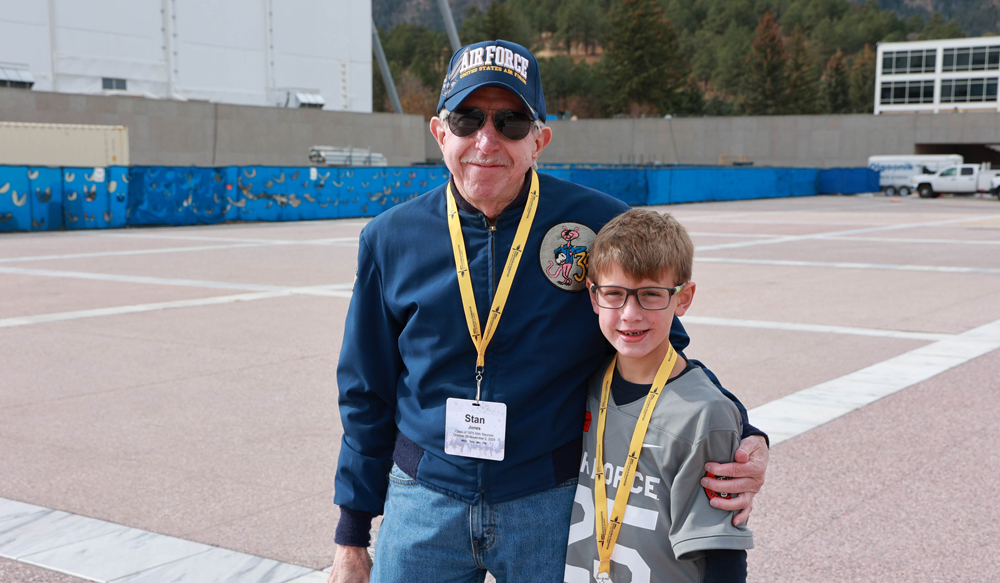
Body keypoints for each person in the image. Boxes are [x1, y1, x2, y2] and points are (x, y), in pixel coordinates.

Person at [330, 39, 768, 583]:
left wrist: (742, 429)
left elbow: (660, 345)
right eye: (468, 119)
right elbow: (366, 388)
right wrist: (351, 533)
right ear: (440, 132)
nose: (486, 140)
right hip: (424, 498)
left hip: (549, 502)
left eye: (511, 122)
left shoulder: (599, 225)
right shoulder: (389, 238)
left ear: (539, 140)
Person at [564, 209, 753, 583]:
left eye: (651, 294)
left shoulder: (705, 413)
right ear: (593, 297)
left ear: (683, 299)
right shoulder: (585, 383)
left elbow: (723, 554)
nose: (630, 314)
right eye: (614, 294)